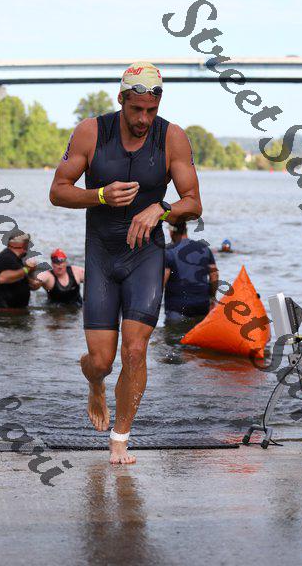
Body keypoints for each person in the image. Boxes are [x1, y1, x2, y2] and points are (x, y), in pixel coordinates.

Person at [50, 61, 202, 464]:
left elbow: (193, 202)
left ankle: (120, 438)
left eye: (151, 110)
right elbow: (58, 191)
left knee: (135, 351)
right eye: (136, 110)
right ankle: (95, 385)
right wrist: (99, 196)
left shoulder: (172, 137)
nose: (143, 119)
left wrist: (161, 209)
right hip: (102, 255)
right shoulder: (91, 132)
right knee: (100, 362)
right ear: (121, 99)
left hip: (145, 256)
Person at [164, 222, 219, 322]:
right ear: (186, 229)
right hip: (202, 305)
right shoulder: (204, 248)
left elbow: (162, 281)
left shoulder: (168, 252)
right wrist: (212, 297)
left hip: (177, 307)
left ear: (171, 232)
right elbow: (214, 275)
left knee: (174, 331)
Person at [0, 232, 41, 309]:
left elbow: (19, 279)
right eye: (27, 244)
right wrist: (27, 269)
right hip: (3, 310)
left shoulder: (18, 259)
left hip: (16, 310)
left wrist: (33, 282)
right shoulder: (6, 258)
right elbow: (2, 278)